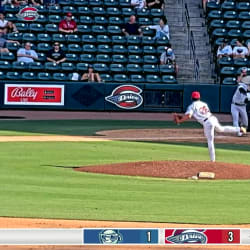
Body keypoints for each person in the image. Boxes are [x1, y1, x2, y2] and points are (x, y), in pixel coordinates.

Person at [173, 91, 246, 162]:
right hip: (213, 118)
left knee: (210, 141)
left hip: (208, 123)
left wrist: (180, 121)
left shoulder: (192, 106)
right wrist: (181, 117)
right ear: (199, 97)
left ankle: (212, 162)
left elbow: (189, 116)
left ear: (191, 98)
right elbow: (191, 115)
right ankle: (238, 129)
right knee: (221, 129)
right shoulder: (204, 103)